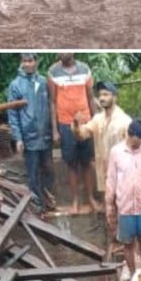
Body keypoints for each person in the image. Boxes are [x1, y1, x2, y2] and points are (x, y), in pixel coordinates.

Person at [72, 81, 132, 257]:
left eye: (106, 94)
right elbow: (82, 134)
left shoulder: (124, 121)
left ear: (115, 97)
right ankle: (113, 242)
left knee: (123, 209)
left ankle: (124, 243)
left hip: (123, 174)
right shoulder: (98, 119)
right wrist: (76, 125)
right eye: (100, 95)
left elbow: (133, 150)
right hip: (106, 174)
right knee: (109, 208)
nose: (102, 98)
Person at [105, 119, 141, 280]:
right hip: (125, 208)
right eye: (140, 139)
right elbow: (111, 179)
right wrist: (109, 205)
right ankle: (132, 274)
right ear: (132, 136)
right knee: (128, 244)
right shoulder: (116, 152)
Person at [48, 53, 100, 215]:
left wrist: (96, 122)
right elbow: (52, 102)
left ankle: (91, 198)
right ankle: (75, 200)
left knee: (87, 161)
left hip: (85, 122)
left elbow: (91, 98)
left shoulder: (85, 69)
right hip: (65, 123)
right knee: (71, 163)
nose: (62, 53)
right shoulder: (53, 72)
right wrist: (55, 130)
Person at [7, 53, 55, 216]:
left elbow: (51, 105)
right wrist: (18, 138)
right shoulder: (15, 85)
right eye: (25, 61)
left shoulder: (43, 82)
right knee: (33, 172)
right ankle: (38, 206)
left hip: (45, 135)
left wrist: (54, 130)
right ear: (21, 63)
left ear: (36, 62)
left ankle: (49, 199)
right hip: (29, 136)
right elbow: (12, 114)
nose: (28, 64)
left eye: (31, 60)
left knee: (48, 168)